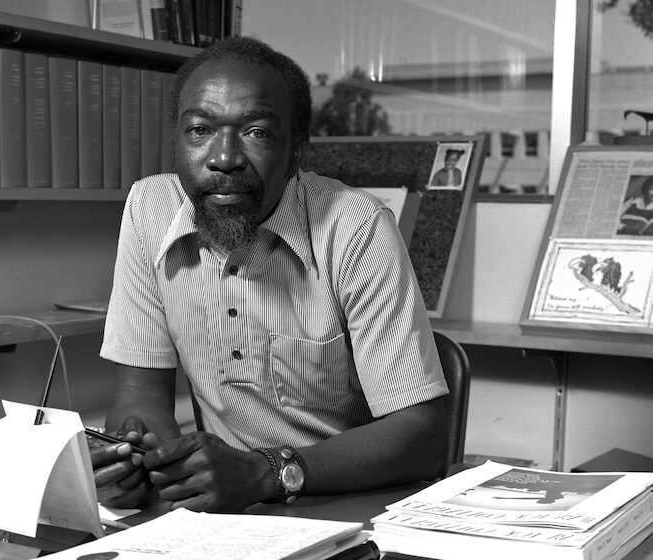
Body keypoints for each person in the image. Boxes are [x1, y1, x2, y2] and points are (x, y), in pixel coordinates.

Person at [92, 36, 449, 513]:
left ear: (296, 151)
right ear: (176, 140)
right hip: (225, 513)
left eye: (256, 132)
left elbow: (423, 437)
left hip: (348, 506)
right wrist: (136, 455)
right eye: (199, 130)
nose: (223, 157)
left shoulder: (357, 227)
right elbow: (140, 394)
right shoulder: (149, 209)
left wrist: (266, 472)